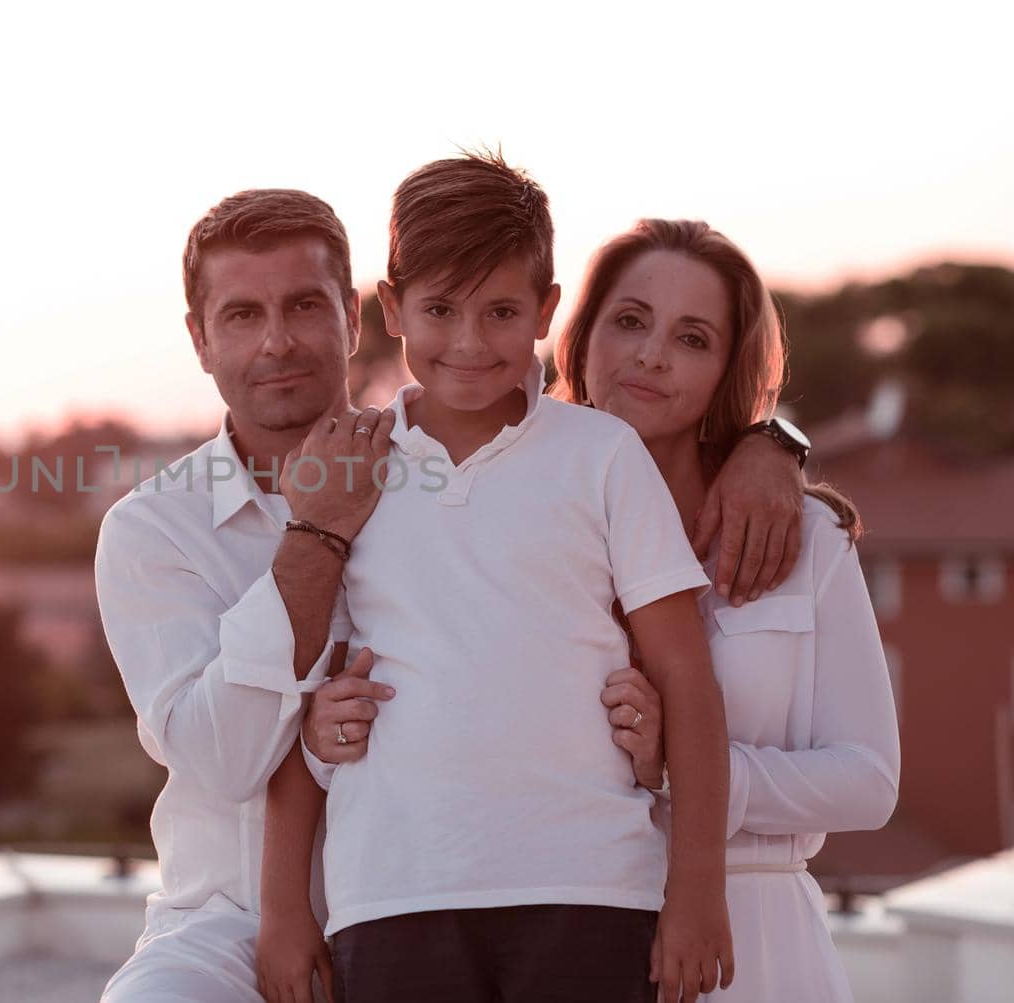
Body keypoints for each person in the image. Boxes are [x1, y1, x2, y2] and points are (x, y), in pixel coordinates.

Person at [96, 188, 803, 1003]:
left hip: (554, 882)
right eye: (243, 315)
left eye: (304, 306)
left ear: (356, 317)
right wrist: (317, 536)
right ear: (200, 336)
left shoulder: (532, 452)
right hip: (283, 910)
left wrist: (773, 440)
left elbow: (600, 467)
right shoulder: (162, 528)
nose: (278, 342)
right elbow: (249, 748)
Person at [259, 153, 734, 1003]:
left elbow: (687, 677)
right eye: (440, 309)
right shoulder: (343, 464)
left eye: (503, 310)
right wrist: (284, 910)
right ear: (392, 305)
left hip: (592, 886)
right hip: (394, 893)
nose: (471, 342)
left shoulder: (602, 456)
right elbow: (301, 692)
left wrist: (697, 889)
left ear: (548, 310)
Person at [554, 218, 900, 1002]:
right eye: (630, 321)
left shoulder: (803, 535)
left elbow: (870, 780)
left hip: (761, 939)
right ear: (582, 339)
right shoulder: (524, 526)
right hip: (568, 925)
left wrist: (690, 769)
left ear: (725, 371)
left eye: (693, 338)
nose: (650, 355)